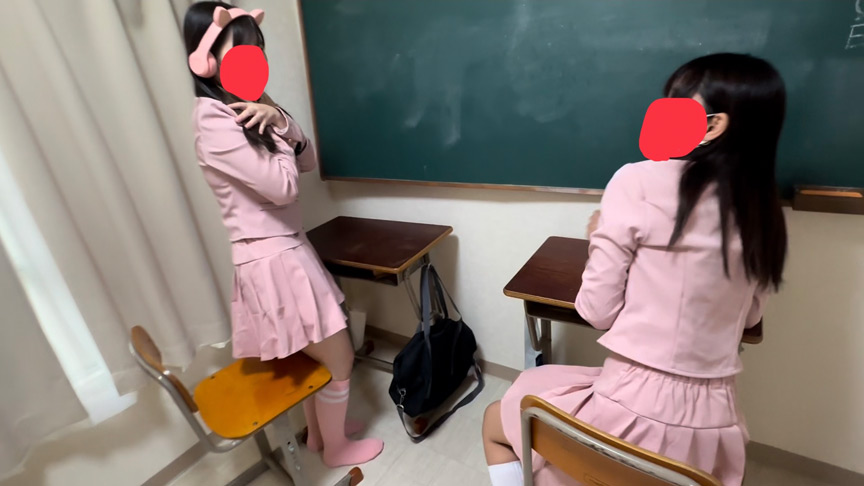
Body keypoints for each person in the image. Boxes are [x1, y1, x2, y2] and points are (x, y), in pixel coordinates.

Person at [482, 53, 788, 486]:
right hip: (713, 427)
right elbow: (751, 316)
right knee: (542, 383)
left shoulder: (638, 180)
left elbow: (597, 311)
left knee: (498, 418)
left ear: (713, 126)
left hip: (626, 408)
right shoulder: (765, 211)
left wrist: (598, 236)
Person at [183, 2, 383, 467]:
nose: (254, 62)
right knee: (341, 358)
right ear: (206, 60)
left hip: (289, 249)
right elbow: (284, 186)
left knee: (321, 358)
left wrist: (280, 120)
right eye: (242, 52)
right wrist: (277, 130)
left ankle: (319, 437)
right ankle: (337, 449)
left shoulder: (247, 102)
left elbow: (307, 158)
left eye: (258, 51)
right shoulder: (212, 119)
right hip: (273, 259)